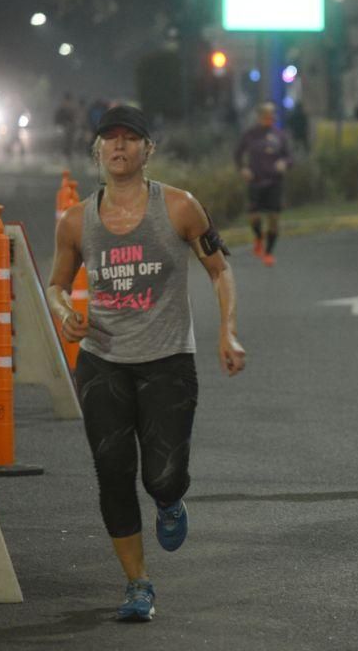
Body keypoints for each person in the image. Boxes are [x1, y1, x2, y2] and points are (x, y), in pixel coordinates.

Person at [47, 104, 246, 622]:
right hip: (102, 361)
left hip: (168, 361)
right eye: (109, 138)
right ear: (97, 150)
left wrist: (227, 330)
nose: (119, 146)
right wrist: (66, 312)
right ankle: (138, 583)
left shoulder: (180, 208)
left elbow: (219, 270)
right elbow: (55, 286)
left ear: (147, 149)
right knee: (112, 473)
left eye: (130, 138)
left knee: (162, 476)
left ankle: (170, 500)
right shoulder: (76, 220)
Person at [234, 102, 293, 266]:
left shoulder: (279, 135)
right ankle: (258, 236)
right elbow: (238, 154)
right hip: (255, 181)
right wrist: (243, 169)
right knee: (254, 217)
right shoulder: (250, 135)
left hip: (274, 182)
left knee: (273, 218)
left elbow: (290, 157)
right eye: (266, 115)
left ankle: (268, 252)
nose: (270, 118)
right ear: (259, 117)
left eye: (272, 115)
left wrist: (284, 163)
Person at [54, 92, 77, 162]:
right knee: (62, 142)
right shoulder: (61, 108)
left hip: (69, 128)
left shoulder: (70, 108)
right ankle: (63, 154)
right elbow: (57, 118)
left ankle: (68, 155)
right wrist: (58, 125)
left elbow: (73, 118)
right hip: (62, 127)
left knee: (69, 141)